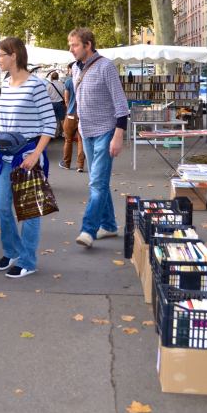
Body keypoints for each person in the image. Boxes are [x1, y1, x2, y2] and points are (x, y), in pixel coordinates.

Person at [0, 37, 56, 278]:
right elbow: (3, 121)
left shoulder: (36, 85)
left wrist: (37, 154)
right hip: (4, 155)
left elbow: (49, 124)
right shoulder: (5, 84)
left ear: (14, 55)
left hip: (28, 155)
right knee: (0, 206)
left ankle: (27, 260)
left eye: (0, 56)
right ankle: (13, 250)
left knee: (29, 210)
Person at [67, 28, 129, 248]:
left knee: (96, 183)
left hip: (106, 131)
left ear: (88, 44)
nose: (71, 49)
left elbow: (121, 105)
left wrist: (118, 135)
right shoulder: (75, 68)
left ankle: (88, 229)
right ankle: (110, 225)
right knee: (99, 182)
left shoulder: (106, 66)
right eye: (70, 45)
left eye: (74, 45)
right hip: (87, 132)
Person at [59, 62, 85, 172]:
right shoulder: (84, 80)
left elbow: (66, 99)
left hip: (70, 115)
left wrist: (69, 107)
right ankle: (80, 165)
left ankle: (66, 163)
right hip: (82, 114)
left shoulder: (68, 82)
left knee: (68, 140)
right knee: (81, 140)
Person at [46, 72, 66, 137]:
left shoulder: (48, 85)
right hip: (60, 103)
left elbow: (46, 95)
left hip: (51, 104)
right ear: (58, 77)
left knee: (53, 120)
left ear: (51, 77)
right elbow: (64, 94)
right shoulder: (62, 84)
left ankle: (54, 134)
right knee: (62, 119)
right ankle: (64, 133)